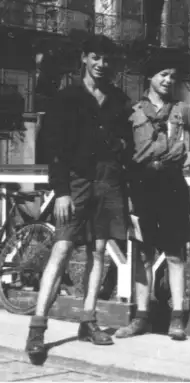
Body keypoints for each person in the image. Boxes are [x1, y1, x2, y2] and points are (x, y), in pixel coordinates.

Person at [25, 35, 132, 361]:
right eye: (96, 58)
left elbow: (125, 142)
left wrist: (120, 155)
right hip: (75, 182)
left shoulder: (119, 99)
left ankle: (88, 321)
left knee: (99, 250)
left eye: (107, 60)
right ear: (85, 58)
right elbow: (54, 149)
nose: (102, 65)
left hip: (108, 181)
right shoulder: (66, 97)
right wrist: (61, 192)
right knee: (62, 248)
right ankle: (37, 328)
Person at [114, 50, 190, 341]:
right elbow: (123, 152)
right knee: (142, 253)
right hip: (142, 184)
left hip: (173, 183)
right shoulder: (133, 111)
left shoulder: (184, 111)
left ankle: (177, 319)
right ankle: (141, 317)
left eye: (173, 76)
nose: (168, 80)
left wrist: (189, 158)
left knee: (175, 253)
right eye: (163, 74)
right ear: (151, 77)